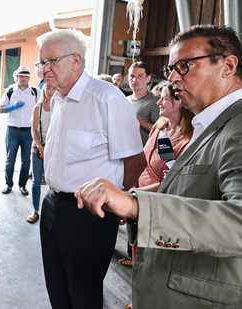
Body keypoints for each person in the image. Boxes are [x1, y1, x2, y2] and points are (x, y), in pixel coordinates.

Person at [76, 24, 242, 308]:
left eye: (184, 66)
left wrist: (137, 207)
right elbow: (190, 192)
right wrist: (132, 199)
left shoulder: (237, 127)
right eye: (170, 69)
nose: (174, 77)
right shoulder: (209, 123)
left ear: (227, 65)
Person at [37, 29, 146, 309]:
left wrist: (116, 203)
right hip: (52, 204)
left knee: (84, 294)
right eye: (41, 63)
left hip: (88, 212)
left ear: (76, 60)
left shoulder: (106, 98)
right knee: (58, 290)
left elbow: (135, 162)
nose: (44, 69)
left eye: (51, 61)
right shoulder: (59, 99)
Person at [118, 81, 194, 268]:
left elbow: (171, 182)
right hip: (138, 196)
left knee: (151, 261)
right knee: (136, 252)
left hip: (156, 205)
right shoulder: (161, 126)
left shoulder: (188, 140)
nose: (159, 103)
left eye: (164, 99)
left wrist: (131, 198)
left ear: (179, 103)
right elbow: (144, 161)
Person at [0, 65, 41, 196]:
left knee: (26, 160)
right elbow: (0, 109)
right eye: (21, 76)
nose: (24, 78)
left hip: (28, 131)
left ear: (29, 78)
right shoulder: (10, 90)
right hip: (13, 130)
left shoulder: (35, 91)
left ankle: (22, 185)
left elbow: (41, 108)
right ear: (17, 77)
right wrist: (13, 107)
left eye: (26, 76)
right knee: (10, 159)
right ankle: (8, 184)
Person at [27, 82, 54, 224]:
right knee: (36, 181)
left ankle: (51, 210)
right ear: (44, 90)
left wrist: (49, 149)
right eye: (48, 88)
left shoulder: (59, 107)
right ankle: (35, 210)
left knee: (53, 181)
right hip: (38, 147)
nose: (50, 91)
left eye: (53, 88)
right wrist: (40, 147)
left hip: (54, 148)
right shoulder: (38, 108)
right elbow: (34, 130)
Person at [127, 61, 161, 146]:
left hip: (143, 153)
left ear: (148, 78)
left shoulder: (156, 101)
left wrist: (136, 119)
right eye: (132, 76)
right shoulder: (125, 100)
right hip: (124, 150)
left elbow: (160, 131)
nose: (135, 80)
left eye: (140, 76)